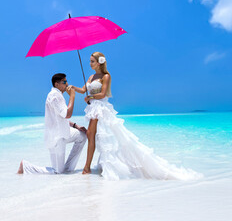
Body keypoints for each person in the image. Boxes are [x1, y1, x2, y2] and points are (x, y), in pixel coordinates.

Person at [71, 52, 201, 180]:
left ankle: (87, 167)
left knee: (91, 135)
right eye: (89, 61)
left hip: (100, 108)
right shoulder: (91, 77)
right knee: (91, 135)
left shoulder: (106, 76)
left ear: (99, 62)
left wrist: (91, 96)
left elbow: (103, 94)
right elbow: (83, 90)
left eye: (92, 61)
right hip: (92, 108)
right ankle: (87, 166)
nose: (90, 64)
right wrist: (72, 88)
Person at [18, 73, 88, 174]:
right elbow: (67, 114)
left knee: (82, 136)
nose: (67, 84)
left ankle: (68, 169)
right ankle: (26, 166)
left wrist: (75, 126)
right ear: (56, 84)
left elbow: (60, 118)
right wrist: (72, 97)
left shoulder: (58, 95)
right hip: (56, 137)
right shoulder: (55, 96)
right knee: (57, 172)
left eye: (66, 81)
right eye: (64, 82)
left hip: (63, 132)